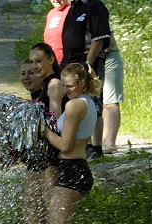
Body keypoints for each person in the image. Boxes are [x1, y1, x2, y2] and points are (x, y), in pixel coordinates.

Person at [39, 62, 98, 224]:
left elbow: (64, 145)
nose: (66, 90)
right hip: (72, 170)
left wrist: (42, 130)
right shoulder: (85, 103)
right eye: (63, 85)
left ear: (82, 83)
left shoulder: (75, 105)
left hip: (73, 171)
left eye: (70, 85)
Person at [18, 44, 67, 224]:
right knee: (32, 213)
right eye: (30, 63)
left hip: (51, 160)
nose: (34, 67)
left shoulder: (53, 84)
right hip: (37, 160)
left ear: (51, 59)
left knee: (50, 216)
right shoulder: (38, 91)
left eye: (38, 62)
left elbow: (55, 121)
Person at [59, 0, 124, 157]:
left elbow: (98, 40)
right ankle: (83, 144)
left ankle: (99, 146)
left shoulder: (96, 6)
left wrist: (87, 64)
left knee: (96, 103)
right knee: (78, 102)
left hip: (94, 62)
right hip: (74, 62)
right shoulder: (74, 7)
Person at [43, 0, 71, 65]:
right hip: (50, 61)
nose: (55, 0)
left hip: (67, 62)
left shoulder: (72, 10)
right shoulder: (51, 13)